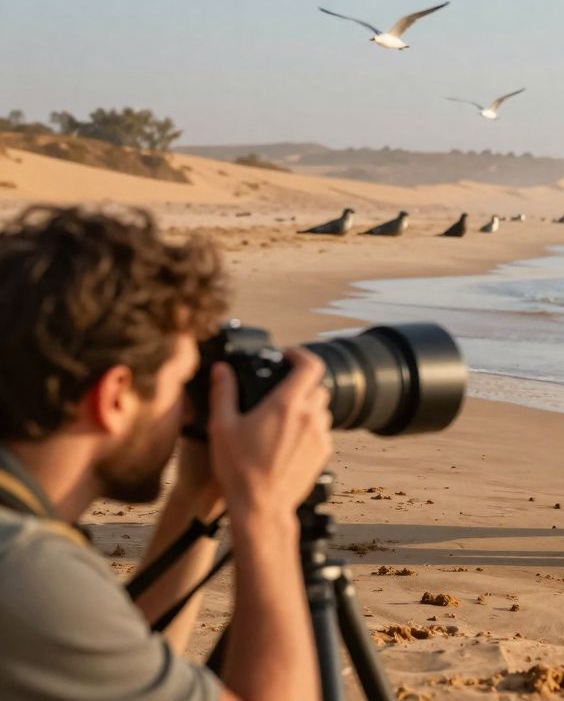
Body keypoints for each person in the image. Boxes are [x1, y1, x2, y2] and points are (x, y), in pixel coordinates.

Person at [0, 206, 333, 700]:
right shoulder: (27, 570)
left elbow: (122, 677)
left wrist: (198, 496)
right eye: (182, 385)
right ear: (113, 397)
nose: (186, 414)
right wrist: (265, 510)